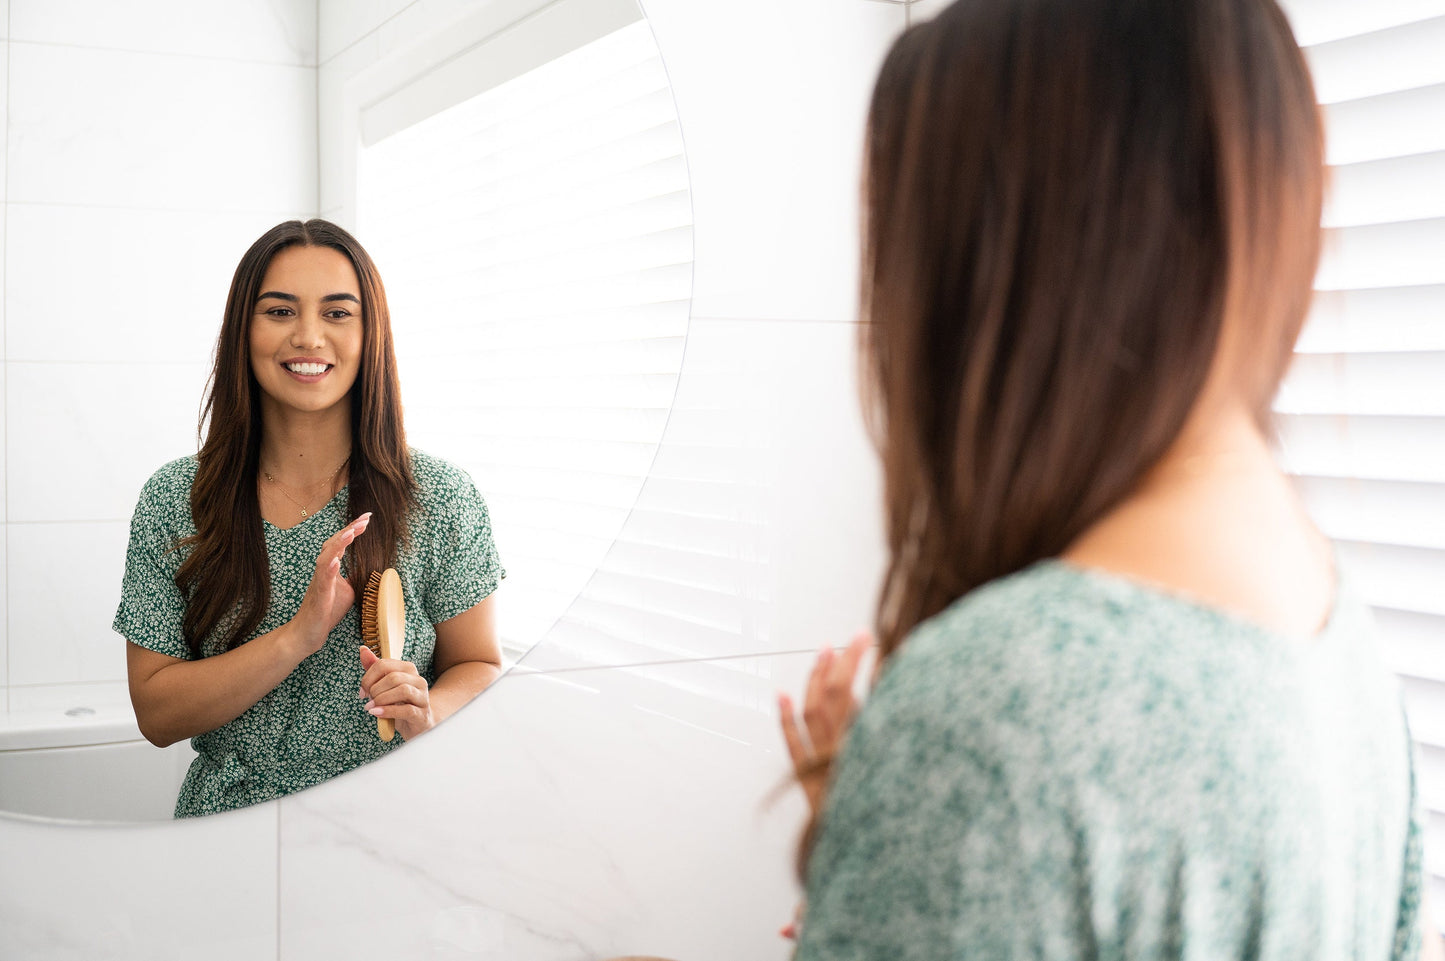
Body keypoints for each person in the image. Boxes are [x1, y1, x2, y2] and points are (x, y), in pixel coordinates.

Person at [779, 0, 1441, 957]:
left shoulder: (993, 712)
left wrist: (916, 807)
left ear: (991, 269)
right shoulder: (1339, 638)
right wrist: (890, 839)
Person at [115, 219, 506, 818]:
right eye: (278, 311)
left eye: (337, 313)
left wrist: (428, 711)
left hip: (395, 830)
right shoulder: (177, 498)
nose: (308, 336)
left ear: (369, 332)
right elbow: (157, 715)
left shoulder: (438, 496)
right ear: (242, 330)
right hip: (225, 842)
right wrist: (297, 638)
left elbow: (477, 663)